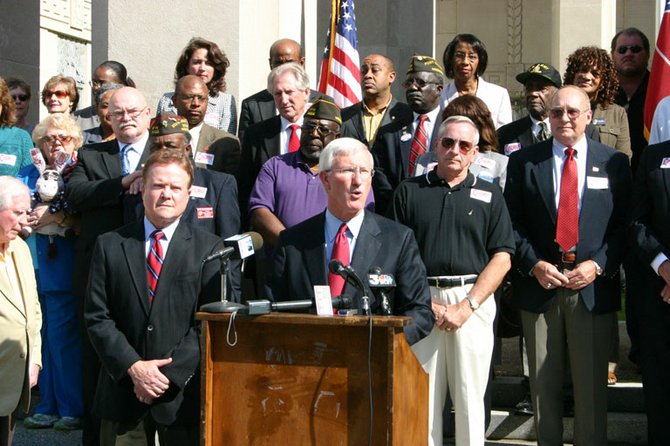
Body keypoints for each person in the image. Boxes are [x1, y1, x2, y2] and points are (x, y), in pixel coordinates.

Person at [504, 85, 631, 445]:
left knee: (591, 392)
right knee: (543, 393)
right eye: (557, 112)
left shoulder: (613, 163)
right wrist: (534, 264)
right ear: (548, 116)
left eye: (573, 111)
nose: (564, 118)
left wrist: (599, 264)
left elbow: (625, 225)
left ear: (589, 116)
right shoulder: (525, 161)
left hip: (591, 287)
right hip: (541, 286)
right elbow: (511, 223)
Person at [85, 149, 224, 446]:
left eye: (175, 187)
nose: (166, 194)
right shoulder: (110, 245)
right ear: (142, 189)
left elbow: (209, 322)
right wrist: (134, 368)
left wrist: (168, 376)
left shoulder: (211, 250)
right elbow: (98, 317)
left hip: (180, 397)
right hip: (123, 394)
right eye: (158, 186)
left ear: (189, 194)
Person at [390, 116, 515, 446]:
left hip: (472, 302)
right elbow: (395, 255)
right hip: (421, 300)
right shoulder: (409, 191)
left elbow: (503, 256)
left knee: (471, 399)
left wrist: (467, 305)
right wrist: (424, 302)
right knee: (422, 396)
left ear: (475, 152)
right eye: (448, 143)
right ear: (435, 146)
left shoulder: (490, 194)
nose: (455, 151)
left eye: (464, 145)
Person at [266, 137, 433, 346]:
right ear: (325, 180)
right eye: (348, 171)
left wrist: (385, 343)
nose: (358, 180)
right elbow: (273, 307)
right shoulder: (293, 242)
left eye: (364, 171)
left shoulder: (398, 239)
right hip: (307, 361)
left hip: (372, 363)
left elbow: (421, 312)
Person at [65, 86, 152, 446]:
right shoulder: (90, 154)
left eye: (133, 111)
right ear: (108, 118)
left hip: (151, 270)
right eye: (118, 113)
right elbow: (76, 195)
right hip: (99, 274)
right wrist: (123, 182)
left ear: (148, 114)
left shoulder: (164, 153)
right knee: (95, 362)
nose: (126, 118)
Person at [20, 114, 83, 431]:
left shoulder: (76, 172)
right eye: (48, 137)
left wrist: (56, 219)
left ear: (75, 142)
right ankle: (45, 405)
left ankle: (70, 407)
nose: (55, 142)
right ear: (38, 143)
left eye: (64, 137)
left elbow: (82, 216)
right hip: (29, 265)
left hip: (62, 265)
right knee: (38, 339)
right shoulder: (26, 172)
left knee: (63, 338)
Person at [629, 138, 670, 445]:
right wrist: (664, 267)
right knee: (660, 393)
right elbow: (637, 221)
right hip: (660, 297)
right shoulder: (654, 157)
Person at [238, 62, 311, 222]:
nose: (284, 100)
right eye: (278, 94)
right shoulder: (256, 134)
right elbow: (246, 184)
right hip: (270, 224)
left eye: (289, 92)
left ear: (306, 92)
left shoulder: (321, 132)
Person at [372, 54, 444, 213]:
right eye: (409, 82)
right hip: (398, 212)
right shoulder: (389, 132)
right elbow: (379, 174)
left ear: (439, 88)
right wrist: (400, 202)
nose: (412, 87)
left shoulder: (452, 128)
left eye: (421, 83)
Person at [0, 176, 41, 446]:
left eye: (26, 212)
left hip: (13, 382)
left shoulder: (21, 249)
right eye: (17, 213)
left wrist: (34, 358)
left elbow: (33, 308)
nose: (25, 220)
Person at [238, 38, 333, 142]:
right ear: (270, 64)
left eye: (290, 62)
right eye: (278, 63)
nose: (284, 68)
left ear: (302, 63)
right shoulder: (252, 105)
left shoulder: (323, 102)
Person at [157, 37, 237, 134]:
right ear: (187, 66)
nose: (202, 68)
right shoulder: (167, 100)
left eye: (208, 63)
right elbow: (159, 136)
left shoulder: (226, 102)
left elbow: (226, 140)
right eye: (197, 62)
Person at [564, 46, 632, 158]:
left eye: (595, 73)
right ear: (573, 74)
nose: (587, 76)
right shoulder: (558, 109)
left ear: (603, 80)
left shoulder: (617, 113)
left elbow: (623, 157)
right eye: (582, 70)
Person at [171, 75, 240, 176]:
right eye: (189, 97)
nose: (195, 103)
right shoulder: (159, 139)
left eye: (201, 98)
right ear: (175, 101)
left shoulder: (227, 144)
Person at [440, 34, 512, 129]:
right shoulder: (440, 95)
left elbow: (505, 134)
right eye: (459, 55)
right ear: (450, 59)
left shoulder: (499, 95)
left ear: (480, 61)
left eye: (472, 57)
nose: (465, 62)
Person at [340, 54, 412, 147]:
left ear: (391, 77)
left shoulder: (407, 115)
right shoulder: (345, 116)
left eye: (375, 70)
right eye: (364, 71)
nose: (367, 75)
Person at [612, 27, 650, 172]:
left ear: (647, 54)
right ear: (612, 55)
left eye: (635, 49)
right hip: (608, 179)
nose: (628, 54)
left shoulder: (661, 93)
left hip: (651, 179)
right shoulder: (601, 94)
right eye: (622, 50)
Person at [74, 60, 135, 132]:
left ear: (121, 85)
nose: (96, 87)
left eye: (102, 83)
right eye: (94, 83)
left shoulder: (133, 117)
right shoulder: (76, 119)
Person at [0, 77, 33, 177]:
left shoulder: (21, 137)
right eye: (13, 97)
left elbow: (28, 179)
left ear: (3, 104)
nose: (18, 101)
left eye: (22, 97)